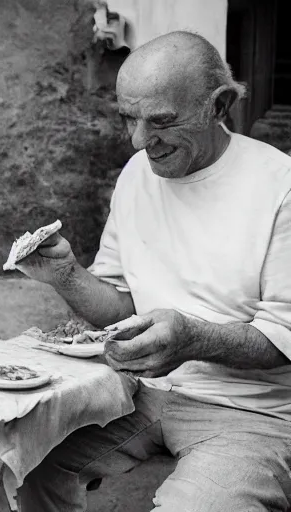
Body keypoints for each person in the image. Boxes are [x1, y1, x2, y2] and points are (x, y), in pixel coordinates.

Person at [15, 31, 291, 511]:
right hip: (141, 395)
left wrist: (192, 339)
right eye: (128, 119)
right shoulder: (137, 174)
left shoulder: (280, 186)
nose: (140, 141)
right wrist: (67, 275)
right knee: (30, 468)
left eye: (161, 121)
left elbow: (285, 336)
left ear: (219, 106)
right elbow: (124, 308)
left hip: (250, 412)